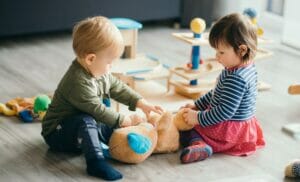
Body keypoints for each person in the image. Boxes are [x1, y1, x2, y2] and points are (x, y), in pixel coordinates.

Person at [41, 16, 162, 180]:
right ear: (91, 59)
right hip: (57, 133)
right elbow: (97, 111)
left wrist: (141, 103)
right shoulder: (77, 82)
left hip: (84, 123)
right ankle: (95, 162)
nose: (111, 66)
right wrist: (124, 120)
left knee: (106, 116)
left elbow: (118, 87)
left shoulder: (99, 72)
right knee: (89, 119)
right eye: (110, 62)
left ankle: (127, 144)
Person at [179, 13, 265, 164]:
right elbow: (217, 93)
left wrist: (197, 117)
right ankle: (202, 143)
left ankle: (201, 144)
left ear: (242, 50)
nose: (217, 56)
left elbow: (224, 111)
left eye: (221, 52)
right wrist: (197, 105)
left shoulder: (236, 77)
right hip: (241, 129)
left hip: (228, 130)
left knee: (187, 129)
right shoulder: (243, 67)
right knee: (188, 121)